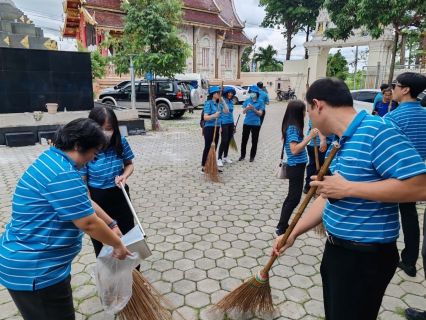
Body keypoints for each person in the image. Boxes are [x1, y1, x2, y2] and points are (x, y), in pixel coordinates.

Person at [271, 78, 426, 320]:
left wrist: (350, 189)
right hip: (338, 252)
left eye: (309, 112)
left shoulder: (378, 131)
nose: (310, 118)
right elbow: (328, 197)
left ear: (317, 105)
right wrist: (292, 233)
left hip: (365, 258)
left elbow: (420, 186)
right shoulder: (341, 140)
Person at [0, 118, 130, 320]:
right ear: (78, 145)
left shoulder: (54, 161)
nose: (92, 160)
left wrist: (112, 224)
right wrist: (118, 245)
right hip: (37, 270)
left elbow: (85, 202)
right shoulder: (62, 174)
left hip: (36, 264)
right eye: (93, 154)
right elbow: (88, 223)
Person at [382, 73, 426, 279]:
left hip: (393, 176)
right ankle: (409, 260)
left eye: (396, 86)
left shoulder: (393, 118)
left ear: (406, 90)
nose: (393, 90)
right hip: (417, 176)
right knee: (410, 218)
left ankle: (383, 255)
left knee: (384, 213)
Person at [80, 106, 136, 258]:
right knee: (102, 242)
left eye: (109, 128)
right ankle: (108, 278)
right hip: (97, 199)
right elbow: (83, 181)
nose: (105, 132)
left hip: (120, 195)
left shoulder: (120, 142)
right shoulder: (86, 149)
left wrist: (124, 176)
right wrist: (89, 202)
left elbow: (129, 164)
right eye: (100, 128)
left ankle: (133, 276)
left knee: (129, 237)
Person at [274, 100, 318, 237]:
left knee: (291, 198)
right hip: (295, 167)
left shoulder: (292, 126)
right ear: (298, 112)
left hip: (297, 166)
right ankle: (281, 228)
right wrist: (309, 137)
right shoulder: (293, 128)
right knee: (293, 199)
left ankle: (283, 225)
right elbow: (294, 150)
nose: (305, 112)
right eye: (304, 110)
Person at [201, 86, 228, 173]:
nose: (217, 94)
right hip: (209, 128)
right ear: (212, 94)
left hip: (216, 128)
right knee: (208, 147)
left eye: (218, 93)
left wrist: (223, 101)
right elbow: (205, 117)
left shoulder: (219, 104)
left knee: (214, 147)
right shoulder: (208, 103)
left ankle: (211, 165)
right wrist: (214, 116)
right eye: (216, 93)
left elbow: (227, 111)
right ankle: (204, 167)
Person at [303, 120, 334, 194]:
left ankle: (309, 186)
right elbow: (317, 124)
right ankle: (313, 187)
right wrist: (322, 140)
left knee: (313, 164)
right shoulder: (319, 112)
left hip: (316, 143)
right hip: (319, 143)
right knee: (321, 166)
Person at [239, 85, 265, 162]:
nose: (252, 93)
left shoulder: (260, 101)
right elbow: (243, 112)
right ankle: (242, 155)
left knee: (254, 140)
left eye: (254, 92)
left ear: (257, 93)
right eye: (251, 92)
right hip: (247, 122)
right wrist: (247, 108)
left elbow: (260, 113)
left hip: (256, 123)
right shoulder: (247, 100)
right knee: (244, 139)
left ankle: (252, 156)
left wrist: (254, 109)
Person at [217, 86, 236, 167]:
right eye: (229, 93)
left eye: (232, 93)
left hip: (230, 123)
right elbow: (222, 113)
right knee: (224, 141)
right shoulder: (221, 101)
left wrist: (234, 125)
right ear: (226, 93)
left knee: (228, 140)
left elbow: (231, 114)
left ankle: (225, 156)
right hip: (224, 123)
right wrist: (220, 125)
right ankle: (219, 158)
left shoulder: (231, 102)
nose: (230, 94)